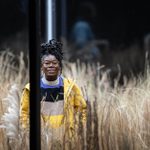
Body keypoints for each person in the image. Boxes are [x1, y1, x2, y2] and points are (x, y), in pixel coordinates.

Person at [19, 39, 87, 139]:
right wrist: (28, 133)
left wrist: (77, 130)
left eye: (54, 63)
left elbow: (82, 110)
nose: (51, 66)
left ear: (59, 66)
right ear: (42, 67)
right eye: (47, 63)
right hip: (41, 140)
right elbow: (24, 113)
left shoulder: (71, 87)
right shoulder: (31, 89)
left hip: (67, 140)